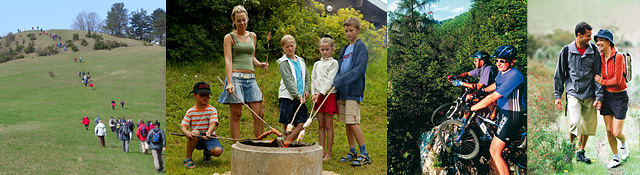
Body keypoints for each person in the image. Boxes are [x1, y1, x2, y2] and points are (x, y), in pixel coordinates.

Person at [470, 45, 526, 175]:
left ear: (512, 62)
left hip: (513, 114)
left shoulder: (515, 75)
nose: (498, 63)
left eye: (502, 61)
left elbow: (493, 97)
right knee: (502, 144)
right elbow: (495, 85)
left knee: (494, 151)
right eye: (497, 60)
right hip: (504, 111)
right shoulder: (503, 72)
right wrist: (480, 91)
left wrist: (473, 107)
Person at [553, 21, 603, 164]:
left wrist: (599, 96)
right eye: (588, 36)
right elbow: (559, 74)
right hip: (573, 92)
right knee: (574, 122)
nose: (590, 38)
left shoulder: (594, 51)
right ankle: (570, 150)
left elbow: (598, 75)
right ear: (579, 35)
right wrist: (558, 96)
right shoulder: (566, 51)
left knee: (587, 126)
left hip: (590, 93)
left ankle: (580, 152)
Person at [218, 5, 269, 140]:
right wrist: (229, 82)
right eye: (238, 20)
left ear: (247, 19)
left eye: (243, 20)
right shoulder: (229, 37)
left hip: (251, 79)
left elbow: (251, 56)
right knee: (236, 115)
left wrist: (259, 64)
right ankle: (237, 146)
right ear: (234, 21)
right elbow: (228, 60)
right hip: (235, 78)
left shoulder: (253, 36)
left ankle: (259, 144)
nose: (242, 23)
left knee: (259, 113)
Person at [332, 17, 371, 166]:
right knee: (347, 123)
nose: (348, 33)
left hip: (353, 90)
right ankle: (352, 151)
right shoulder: (345, 48)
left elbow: (359, 70)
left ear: (358, 30)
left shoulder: (361, 47)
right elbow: (339, 68)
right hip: (342, 91)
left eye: (351, 31)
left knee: (353, 121)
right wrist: (336, 81)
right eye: (346, 31)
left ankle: (365, 154)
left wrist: (341, 80)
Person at [593, 29, 629, 168]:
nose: (598, 43)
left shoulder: (618, 56)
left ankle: (624, 144)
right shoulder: (600, 58)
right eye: (597, 40)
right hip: (607, 97)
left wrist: (603, 81)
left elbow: (618, 80)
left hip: (620, 97)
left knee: (617, 132)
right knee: (608, 130)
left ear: (609, 42)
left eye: (601, 40)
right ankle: (616, 158)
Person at [311, 34, 339, 161]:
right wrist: (313, 94)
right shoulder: (317, 64)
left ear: (332, 49)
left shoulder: (334, 63)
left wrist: (321, 93)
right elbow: (313, 80)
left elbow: (330, 80)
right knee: (321, 124)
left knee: (328, 124)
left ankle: (328, 153)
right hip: (318, 96)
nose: (324, 52)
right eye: (322, 50)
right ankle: (321, 150)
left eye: (327, 49)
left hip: (328, 95)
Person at [277, 35, 310, 142]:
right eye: (287, 47)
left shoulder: (301, 60)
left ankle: (286, 143)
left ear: (295, 45)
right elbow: (288, 82)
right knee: (287, 124)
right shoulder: (283, 63)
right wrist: (297, 95)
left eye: (292, 46)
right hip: (288, 97)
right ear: (282, 48)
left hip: (300, 97)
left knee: (302, 123)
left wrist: (306, 90)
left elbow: (306, 77)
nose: (290, 48)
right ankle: (285, 143)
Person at [182, 82, 222, 168]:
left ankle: (207, 153)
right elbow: (183, 126)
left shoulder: (212, 110)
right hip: (197, 139)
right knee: (195, 132)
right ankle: (188, 158)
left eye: (207, 95)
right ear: (194, 96)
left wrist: (209, 132)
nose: (205, 97)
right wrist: (187, 133)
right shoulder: (190, 111)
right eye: (202, 95)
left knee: (218, 151)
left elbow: (213, 123)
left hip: (209, 137)